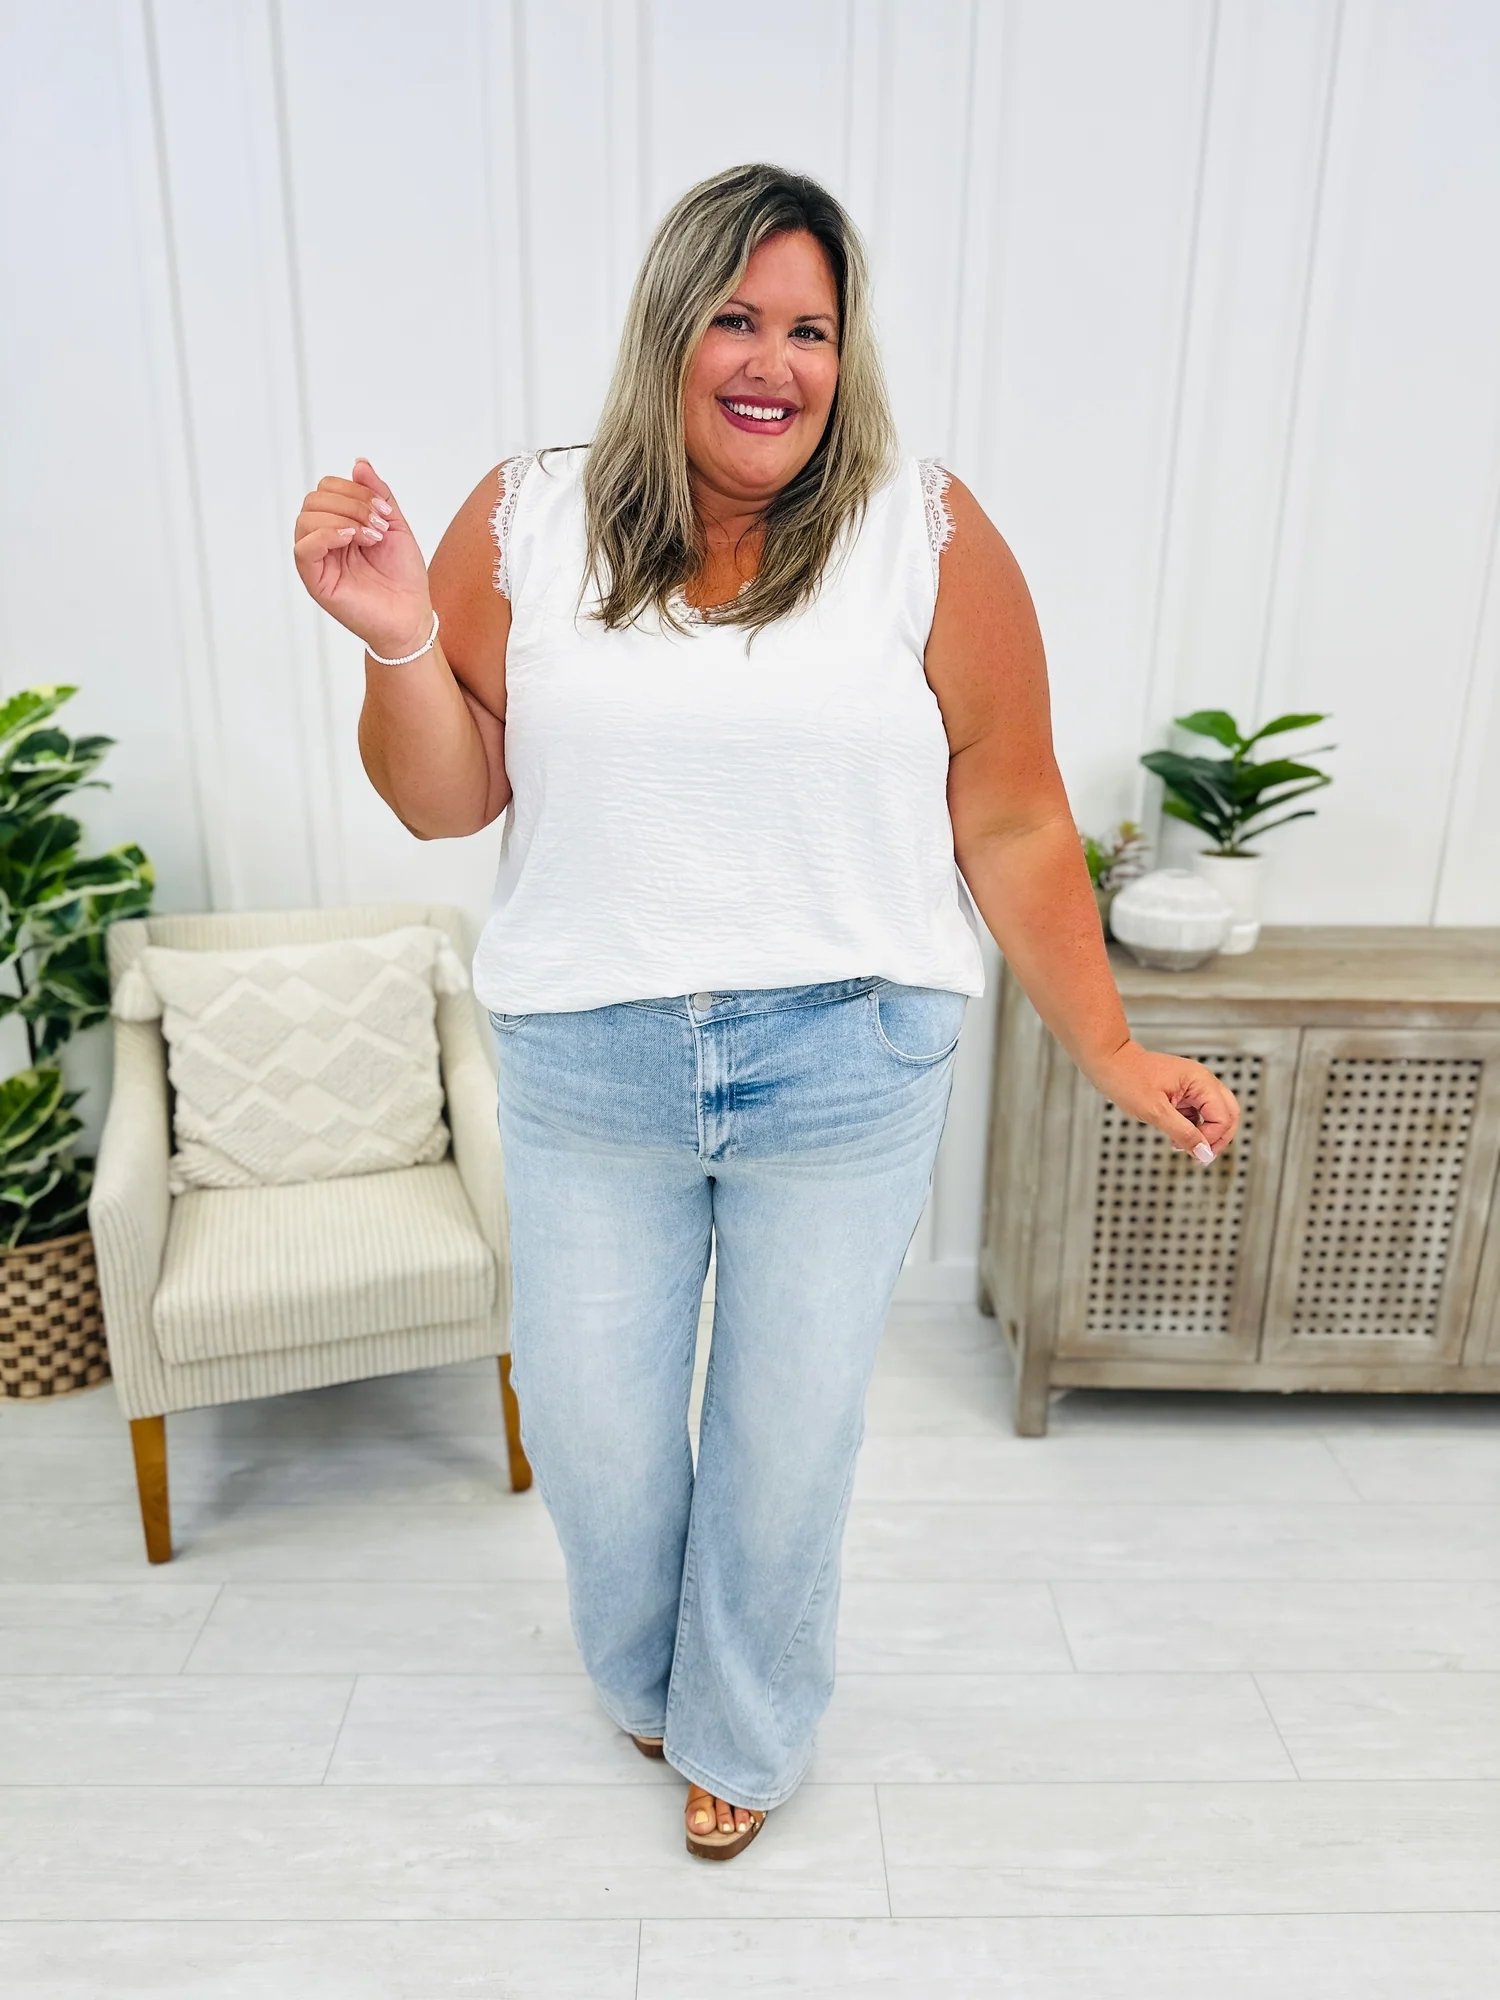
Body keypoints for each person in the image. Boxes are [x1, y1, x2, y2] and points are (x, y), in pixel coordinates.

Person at [292, 162, 1240, 1862]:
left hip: (847, 1057)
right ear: (670, 329)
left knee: (784, 1439)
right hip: (590, 1063)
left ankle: (740, 1716)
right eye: (737, 317)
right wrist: (396, 641)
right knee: (592, 1432)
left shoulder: (923, 532)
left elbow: (1015, 816)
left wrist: (1109, 1041)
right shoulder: (526, 518)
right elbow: (446, 800)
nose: (775, 361)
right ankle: (651, 1672)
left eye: (811, 328)